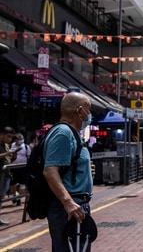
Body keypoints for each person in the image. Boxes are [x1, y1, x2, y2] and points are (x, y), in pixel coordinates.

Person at [43, 92, 94, 251]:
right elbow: (50, 170)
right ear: (80, 111)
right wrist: (68, 202)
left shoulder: (72, 134)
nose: (89, 114)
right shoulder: (63, 133)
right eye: (88, 109)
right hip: (69, 208)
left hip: (76, 206)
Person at [9, 133, 31, 206]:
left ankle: (19, 198)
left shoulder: (26, 147)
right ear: (15, 139)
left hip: (22, 168)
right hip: (12, 168)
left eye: (22, 139)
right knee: (12, 184)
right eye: (19, 139)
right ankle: (15, 196)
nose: (21, 140)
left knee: (22, 184)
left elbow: (29, 156)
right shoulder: (11, 146)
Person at [0, 126, 15, 225]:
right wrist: (6, 153)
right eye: (8, 137)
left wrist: (13, 156)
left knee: (1, 197)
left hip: (6, 175)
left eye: (11, 137)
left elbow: (8, 159)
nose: (9, 139)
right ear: (1, 135)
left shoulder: (6, 145)